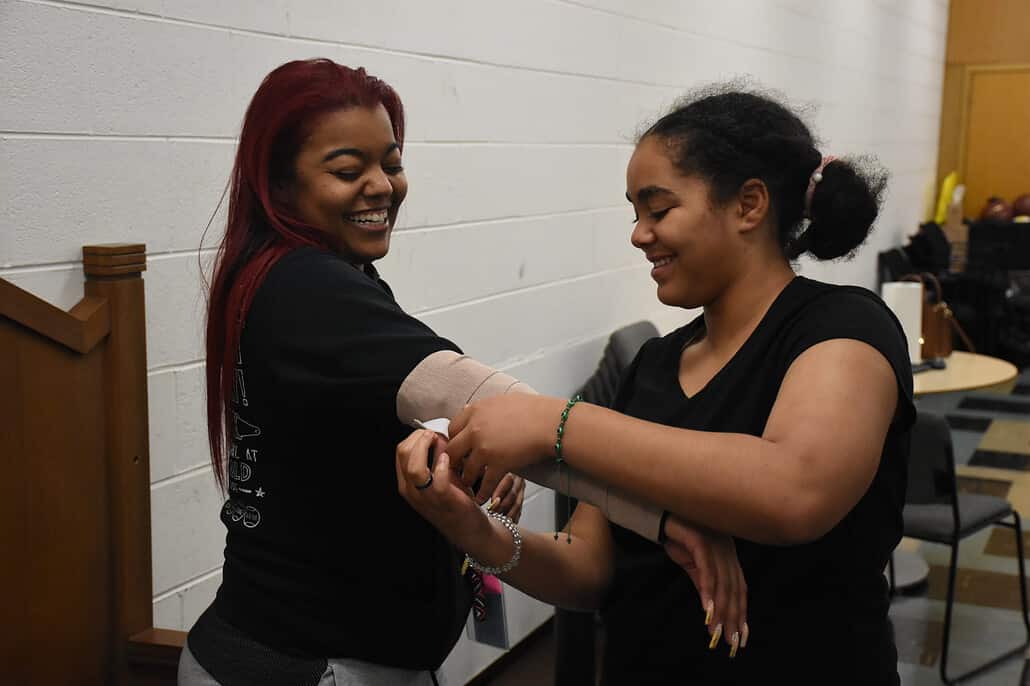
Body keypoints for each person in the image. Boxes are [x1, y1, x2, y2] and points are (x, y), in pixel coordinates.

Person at [397, 87, 914, 685]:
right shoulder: (653, 364)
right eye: (634, 212)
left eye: (659, 209)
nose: (639, 234)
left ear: (749, 205)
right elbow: (590, 569)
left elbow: (794, 489)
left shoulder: (845, 328)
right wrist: (470, 527)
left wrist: (554, 423)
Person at [180, 59, 524, 686]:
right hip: (311, 664)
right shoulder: (308, 287)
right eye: (348, 170)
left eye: (392, 163)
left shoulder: (304, 276)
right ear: (279, 185)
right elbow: (494, 400)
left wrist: (464, 455)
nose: (382, 186)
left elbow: (349, 433)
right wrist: (670, 492)